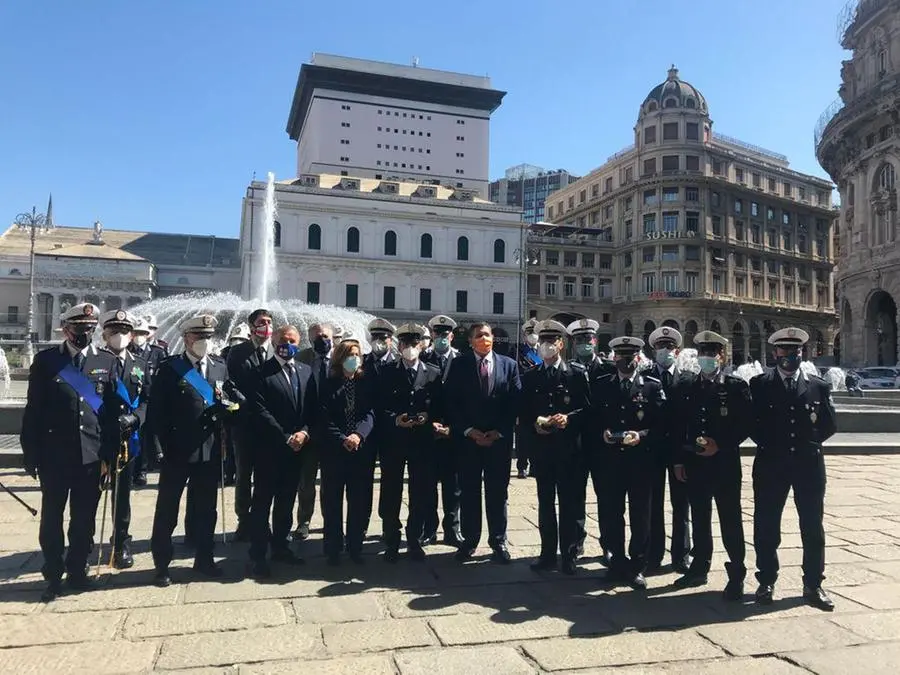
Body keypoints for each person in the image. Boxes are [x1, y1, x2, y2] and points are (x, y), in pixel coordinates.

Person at [21, 303, 121, 602]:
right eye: (80, 328)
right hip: (54, 455)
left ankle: (78, 570)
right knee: (52, 517)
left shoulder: (106, 361)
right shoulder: (47, 361)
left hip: (90, 455)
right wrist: (31, 452)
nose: (85, 333)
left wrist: (111, 452)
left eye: (90, 328)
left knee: (84, 518)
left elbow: (111, 411)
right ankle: (52, 573)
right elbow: (34, 410)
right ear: (66, 329)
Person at [148, 315, 240, 586]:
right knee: (168, 509)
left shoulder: (219, 367)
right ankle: (162, 564)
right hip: (177, 450)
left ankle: (204, 558)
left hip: (209, 450)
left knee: (206, 509)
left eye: (207, 337)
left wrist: (231, 410)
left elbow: (228, 399)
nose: (203, 342)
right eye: (198, 337)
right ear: (186, 338)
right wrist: (157, 449)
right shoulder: (170, 368)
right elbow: (156, 412)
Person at [750, 327, 837, 611]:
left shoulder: (818, 385)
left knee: (812, 526)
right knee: (766, 525)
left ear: (803, 353)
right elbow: (753, 425)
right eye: (785, 350)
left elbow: (828, 424)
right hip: (771, 463)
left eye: (796, 350)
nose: (790, 355)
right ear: (775, 352)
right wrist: (773, 446)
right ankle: (766, 581)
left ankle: (813, 584)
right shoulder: (760, 384)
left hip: (808, 464)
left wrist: (806, 444)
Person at [670, 331, 750, 600]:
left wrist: (722, 444)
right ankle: (699, 567)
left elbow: (744, 426)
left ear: (722, 356)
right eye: (703, 353)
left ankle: (737, 573)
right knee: (700, 518)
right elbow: (680, 426)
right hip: (696, 464)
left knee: (730, 520)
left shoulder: (736, 387)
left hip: (725, 464)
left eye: (712, 354)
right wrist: (679, 459)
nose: (706, 359)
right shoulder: (688, 387)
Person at [588, 336, 666, 589]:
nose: (626, 361)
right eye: (621, 356)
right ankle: (617, 561)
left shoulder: (652, 387)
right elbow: (592, 419)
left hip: (640, 462)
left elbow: (662, 427)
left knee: (641, 514)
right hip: (610, 462)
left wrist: (640, 436)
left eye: (631, 356)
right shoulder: (602, 385)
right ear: (614, 358)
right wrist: (601, 434)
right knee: (612, 513)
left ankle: (637, 564)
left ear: (638, 358)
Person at [445, 322, 522, 563]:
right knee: (469, 492)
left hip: (497, 442)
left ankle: (498, 540)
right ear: (470, 341)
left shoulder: (509, 365)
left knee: (497, 493)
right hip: (469, 441)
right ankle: (470, 540)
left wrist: (498, 432)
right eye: (479, 336)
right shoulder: (459, 365)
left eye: (487, 335)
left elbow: (514, 402)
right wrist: (469, 430)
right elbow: (451, 403)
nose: (484, 339)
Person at [520, 320, 590, 575]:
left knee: (570, 504)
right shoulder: (531, 376)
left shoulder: (576, 373)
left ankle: (570, 554)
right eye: (544, 341)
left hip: (570, 450)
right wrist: (533, 427)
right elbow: (524, 412)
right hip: (543, 451)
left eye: (553, 341)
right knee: (545, 503)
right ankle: (547, 553)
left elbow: (587, 410)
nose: (547, 346)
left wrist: (569, 418)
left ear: (561, 344)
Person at [247, 325, 317, 577]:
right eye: (283, 339)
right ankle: (257, 554)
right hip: (270, 449)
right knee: (262, 503)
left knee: (286, 502)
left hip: (297, 449)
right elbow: (259, 410)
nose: (287, 344)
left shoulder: (306, 371)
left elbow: (312, 408)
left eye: (293, 340)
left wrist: (305, 433)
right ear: (274, 341)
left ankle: (281, 546)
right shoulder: (261, 372)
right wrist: (285, 437)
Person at [377, 323, 443, 562]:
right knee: (391, 491)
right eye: (405, 344)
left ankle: (414, 539)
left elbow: (439, 407)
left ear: (421, 345)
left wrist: (430, 418)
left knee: (420, 492)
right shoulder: (386, 371)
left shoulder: (433, 373)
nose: (410, 348)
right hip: (394, 442)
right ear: (399, 345)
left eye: (414, 344)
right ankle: (391, 539)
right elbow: (378, 407)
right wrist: (395, 419)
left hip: (421, 442)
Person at [318, 333, 376, 565]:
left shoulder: (364, 383)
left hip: (360, 450)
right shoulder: (328, 384)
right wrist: (342, 438)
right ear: (340, 358)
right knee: (332, 501)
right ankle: (332, 548)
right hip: (335, 450)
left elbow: (370, 413)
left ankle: (355, 547)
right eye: (351, 355)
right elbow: (322, 417)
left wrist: (358, 435)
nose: (355, 359)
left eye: (358, 355)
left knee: (358, 501)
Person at [99, 310, 151, 570]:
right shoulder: (94, 361)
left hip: (128, 438)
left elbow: (146, 400)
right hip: (97, 438)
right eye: (113, 331)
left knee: (122, 495)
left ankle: (121, 542)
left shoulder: (140, 364)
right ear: (104, 334)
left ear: (131, 335)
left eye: (124, 331)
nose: (119, 336)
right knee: (89, 495)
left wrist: (136, 419)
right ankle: (82, 542)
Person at [226, 308, 275, 540]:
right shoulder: (237, 353)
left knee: (266, 475)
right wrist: (242, 400)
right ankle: (243, 519)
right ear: (251, 326)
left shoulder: (277, 350)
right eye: (260, 322)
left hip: (269, 426)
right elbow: (228, 382)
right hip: (244, 423)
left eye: (268, 322)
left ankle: (262, 519)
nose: (265, 326)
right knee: (243, 474)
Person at [646, 326, 691, 575]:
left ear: (678, 350)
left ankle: (681, 553)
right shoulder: (644, 378)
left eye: (670, 347)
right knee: (653, 504)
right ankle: (654, 552)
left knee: (681, 504)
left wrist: (683, 455)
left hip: (678, 454)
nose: (665, 351)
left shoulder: (687, 380)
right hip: (652, 451)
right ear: (653, 351)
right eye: (661, 347)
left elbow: (688, 421)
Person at [567, 318, 612, 565]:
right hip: (575, 443)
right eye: (580, 340)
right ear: (573, 343)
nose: (585, 343)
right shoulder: (568, 370)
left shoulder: (607, 369)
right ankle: (575, 543)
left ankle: (609, 545)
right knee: (575, 497)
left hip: (603, 445)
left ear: (596, 341)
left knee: (607, 497)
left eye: (589, 339)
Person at [422, 314, 462, 546]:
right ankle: (429, 528)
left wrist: (452, 427)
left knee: (453, 486)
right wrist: (430, 424)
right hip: (429, 431)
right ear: (433, 335)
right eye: (437, 334)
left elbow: (465, 399)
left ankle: (452, 529)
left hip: (453, 433)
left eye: (445, 334)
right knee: (428, 484)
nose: (441, 338)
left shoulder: (462, 360)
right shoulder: (424, 358)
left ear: (452, 336)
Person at [294, 321, 334, 540]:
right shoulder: (301, 358)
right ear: (310, 338)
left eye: (326, 336)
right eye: (318, 336)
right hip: (309, 430)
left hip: (333, 432)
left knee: (330, 482)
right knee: (306, 481)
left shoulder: (340, 360)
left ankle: (330, 521)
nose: (322, 339)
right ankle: (304, 521)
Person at [129, 317, 168, 487]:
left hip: (149, 400)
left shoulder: (157, 352)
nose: (139, 336)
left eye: (142, 333)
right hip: (130, 399)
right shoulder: (126, 350)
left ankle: (142, 471)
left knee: (145, 436)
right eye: (136, 333)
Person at [514, 318, 542, 479]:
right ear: (525, 335)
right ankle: (521, 466)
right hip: (524, 399)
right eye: (530, 333)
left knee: (537, 435)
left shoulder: (543, 350)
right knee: (523, 436)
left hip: (539, 400)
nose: (533, 336)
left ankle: (535, 465)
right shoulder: (518, 351)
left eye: (535, 333)